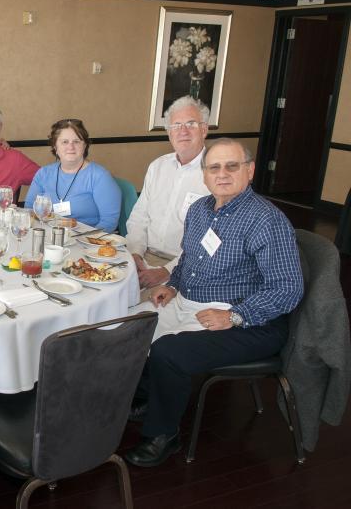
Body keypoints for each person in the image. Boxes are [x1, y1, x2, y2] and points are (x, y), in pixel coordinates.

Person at [123, 138, 304, 468]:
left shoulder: (266, 220)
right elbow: (190, 258)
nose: (222, 174)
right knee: (131, 323)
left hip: (251, 322)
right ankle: (149, 397)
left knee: (170, 352)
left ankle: (164, 435)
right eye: (214, 167)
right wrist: (174, 285)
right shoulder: (200, 209)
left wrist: (234, 315)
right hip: (192, 302)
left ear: (249, 171)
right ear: (204, 175)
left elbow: (287, 289)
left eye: (232, 166)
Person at [126, 96, 211, 294]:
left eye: (191, 123)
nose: (183, 131)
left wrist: (167, 271)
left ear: (204, 129)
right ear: (169, 133)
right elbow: (139, 218)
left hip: (187, 268)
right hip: (144, 256)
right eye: (176, 125)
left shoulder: (215, 175)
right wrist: (135, 254)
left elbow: (208, 242)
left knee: (141, 312)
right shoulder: (158, 167)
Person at [24, 118, 121, 231]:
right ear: (55, 147)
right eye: (65, 142)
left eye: (76, 141)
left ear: (84, 146)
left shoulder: (99, 177)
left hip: (86, 242)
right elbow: (29, 210)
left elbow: (109, 222)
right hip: (48, 238)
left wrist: (83, 241)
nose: (71, 147)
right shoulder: (43, 174)